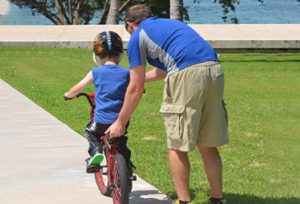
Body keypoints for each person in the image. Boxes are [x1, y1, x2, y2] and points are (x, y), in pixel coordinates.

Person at [106, 4, 228, 204]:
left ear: (129, 24)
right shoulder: (169, 25)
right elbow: (162, 71)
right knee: (207, 143)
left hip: (187, 75)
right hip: (214, 70)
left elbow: (135, 90)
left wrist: (120, 121)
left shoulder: (137, 37)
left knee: (176, 145)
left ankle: (184, 201)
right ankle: (217, 199)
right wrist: (133, 79)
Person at [64, 31, 132, 173]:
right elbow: (136, 87)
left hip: (102, 120)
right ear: (120, 54)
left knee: (90, 132)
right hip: (122, 120)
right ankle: (127, 165)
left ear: (97, 56)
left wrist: (69, 94)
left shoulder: (96, 72)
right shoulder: (127, 73)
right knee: (120, 141)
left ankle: (96, 152)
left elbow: (78, 87)